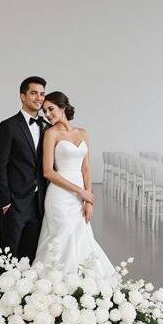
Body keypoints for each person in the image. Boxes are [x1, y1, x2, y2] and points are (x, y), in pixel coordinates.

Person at [34, 91, 114, 276]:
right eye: (45, 111)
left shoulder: (82, 133)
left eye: (51, 109)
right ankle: (55, 283)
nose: (47, 114)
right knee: (60, 239)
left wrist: (88, 200)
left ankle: (81, 284)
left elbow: (86, 169)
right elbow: (48, 171)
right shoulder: (51, 133)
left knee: (82, 239)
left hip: (80, 197)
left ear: (63, 107)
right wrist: (81, 191)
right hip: (59, 197)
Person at [0, 76, 49, 265]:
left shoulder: (46, 127)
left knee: (30, 254)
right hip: (14, 202)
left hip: (39, 202)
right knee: (7, 254)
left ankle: (24, 293)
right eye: (34, 93)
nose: (39, 98)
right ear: (22, 96)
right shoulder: (8, 126)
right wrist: (5, 201)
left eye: (42, 94)